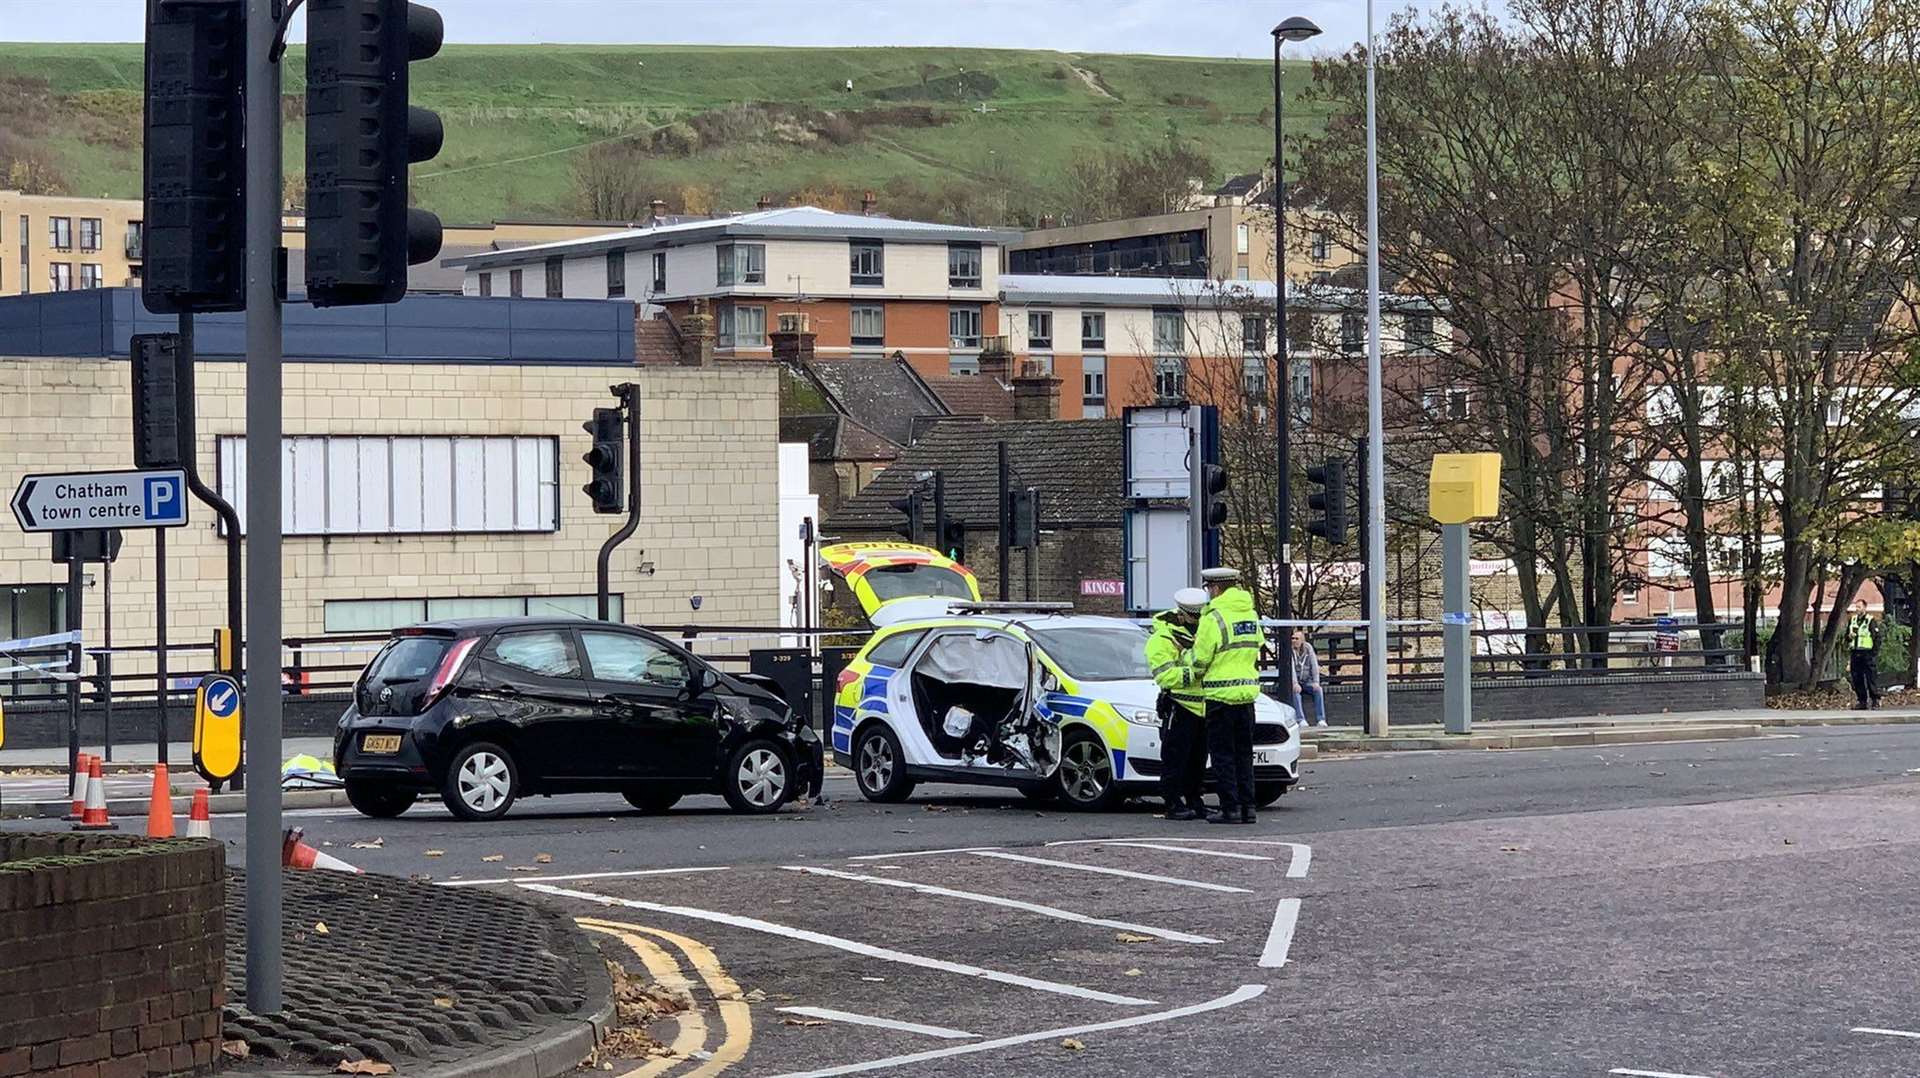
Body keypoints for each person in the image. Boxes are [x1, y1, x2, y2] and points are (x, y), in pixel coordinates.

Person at [1191, 566, 1263, 825]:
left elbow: (1201, 658)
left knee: (1223, 756)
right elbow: (1257, 647)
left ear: (1216, 588)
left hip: (1220, 697)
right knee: (1244, 755)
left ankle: (1230, 808)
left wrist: (1191, 671)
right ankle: (1248, 808)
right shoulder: (1251, 615)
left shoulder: (1213, 618)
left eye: (1209, 588)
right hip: (1246, 697)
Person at [1145, 587, 1211, 820]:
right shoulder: (1163, 638)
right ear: (1181, 614)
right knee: (1175, 756)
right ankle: (1172, 802)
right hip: (1179, 706)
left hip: (1205, 706)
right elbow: (1164, 675)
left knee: (1198, 758)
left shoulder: (1205, 632)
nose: (1198, 620)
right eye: (1194, 616)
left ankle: (1195, 799)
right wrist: (1194, 673)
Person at [1848, 599, 1882, 710]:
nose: (1857, 609)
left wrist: (1873, 653)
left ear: (1865, 607)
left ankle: (1875, 700)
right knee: (1857, 678)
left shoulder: (1870, 620)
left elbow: (1877, 637)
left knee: (1870, 677)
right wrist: (1849, 637)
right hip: (1855, 652)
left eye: (1859, 607)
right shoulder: (1852, 620)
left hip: (1867, 653)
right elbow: (1846, 637)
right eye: (1856, 607)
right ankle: (1862, 701)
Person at [1291, 630, 1326, 727]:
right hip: (1294, 681)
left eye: (1296, 638)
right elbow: (1291, 668)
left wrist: (1316, 682)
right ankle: (1300, 719)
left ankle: (1321, 719)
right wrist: (1294, 683)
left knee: (1318, 690)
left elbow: (1314, 665)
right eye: (1292, 638)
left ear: (1302, 640)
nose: (1294, 640)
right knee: (1296, 692)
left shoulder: (1308, 648)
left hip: (1306, 680)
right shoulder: (1289, 650)